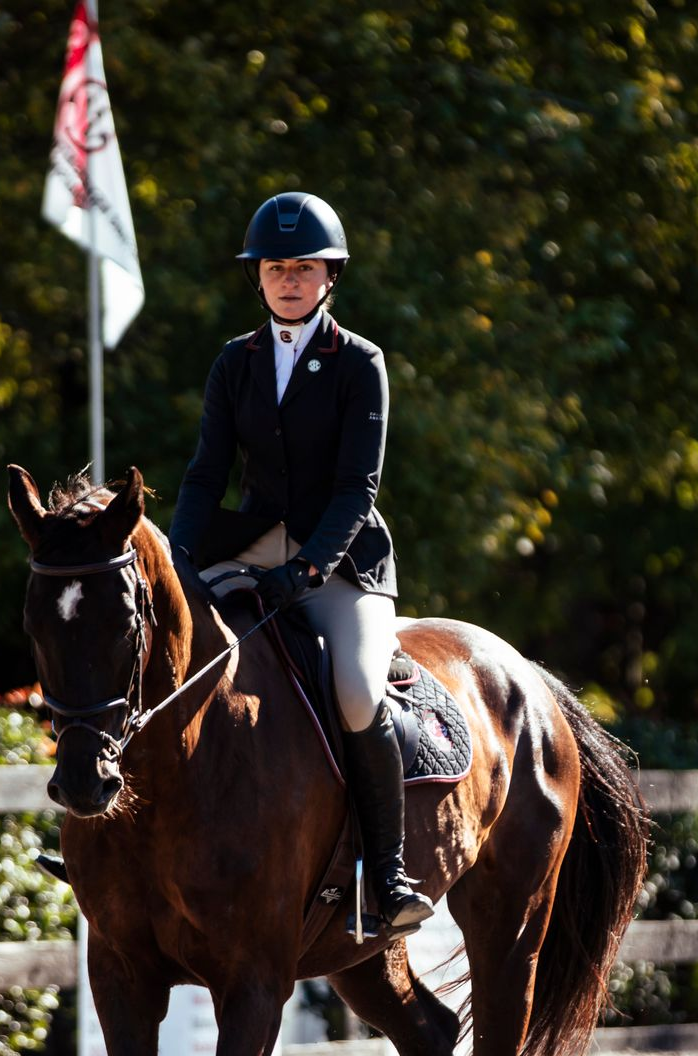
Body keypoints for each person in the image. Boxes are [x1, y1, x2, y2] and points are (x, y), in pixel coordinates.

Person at [168, 191, 435, 934]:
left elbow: (358, 488)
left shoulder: (359, 362)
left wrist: (311, 569)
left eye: (304, 267)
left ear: (329, 277)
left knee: (354, 688)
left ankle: (386, 874)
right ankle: (116, 839)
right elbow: (203, 475)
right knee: (157, 646)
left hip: (342, 558)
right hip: (252, 544)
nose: (289, 279)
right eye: (276, 266)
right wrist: (178, 558)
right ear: (257, 277)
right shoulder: (235, 362)